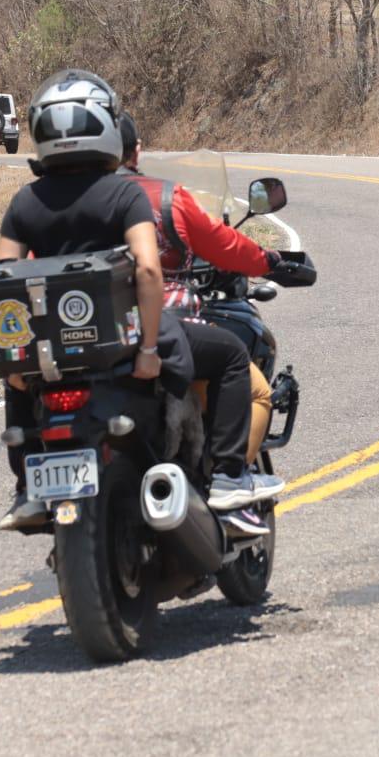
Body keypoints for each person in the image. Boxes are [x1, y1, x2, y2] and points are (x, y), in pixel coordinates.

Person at [0, 71, 273, 533]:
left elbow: (4, 285)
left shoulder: (24, 203)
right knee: (230, 356)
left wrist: (15, 367)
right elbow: (147, 270)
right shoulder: (126, 193)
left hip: (58, 345)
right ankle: (227, 478)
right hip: (123, 339)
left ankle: (26, 484)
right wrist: (146, 349)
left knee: (23, 376)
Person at [116, 113, 286, 507]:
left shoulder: (70, 202)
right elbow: (225, 245)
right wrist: (267, 260)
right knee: (254, 386)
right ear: (136, 150)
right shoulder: (163, 197)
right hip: (166, 328)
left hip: (96, 338)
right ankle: (230, 479)